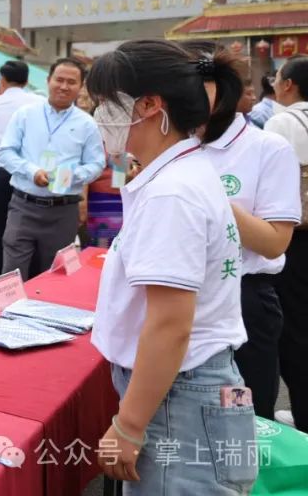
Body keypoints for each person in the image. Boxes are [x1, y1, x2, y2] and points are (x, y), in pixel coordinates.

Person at [86, 40, 257, 493]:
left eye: (106, 104)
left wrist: (129, 425)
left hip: (179, 400)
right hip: (196, 389)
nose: (100, 116)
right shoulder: (181, 171)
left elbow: (169, 326)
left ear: (149, 106)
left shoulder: (171, 193)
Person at [181, 42, 300, 422]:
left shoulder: (268, 148)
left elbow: (274, 242)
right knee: (182, 414)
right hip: (178, 294)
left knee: (244, 418)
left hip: (242, 298)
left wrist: (211, 198)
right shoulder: (176, 145)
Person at [0, 58, 105, 279]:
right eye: (59, 80)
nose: (64, 86)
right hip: (24, 206)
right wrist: (31, 171)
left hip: (63, 211)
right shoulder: (25, 115)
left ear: (80, 86)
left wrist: (73, 176)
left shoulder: (87, 124)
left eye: (71, 82)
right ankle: (8, 313)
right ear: (48, 80)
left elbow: (96, 164)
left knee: (54, 276)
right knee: (13, 272)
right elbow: (6, 152)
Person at [264, 55, 308, 430]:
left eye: (276, 78)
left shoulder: (282, 121)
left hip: (295, 237)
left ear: (289, 84)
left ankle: (302, 414)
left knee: (295, 330)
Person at [0, 60, 42, 278]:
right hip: (32, 175)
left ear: (1, 80)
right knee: (29, 228)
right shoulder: (39, 104)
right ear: (26, 80)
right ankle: (29, 276)